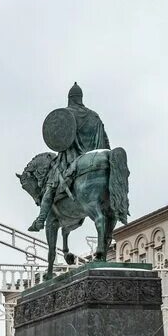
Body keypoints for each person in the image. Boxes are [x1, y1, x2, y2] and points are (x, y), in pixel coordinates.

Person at [28, 83, 111, 232]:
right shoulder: (94, 116)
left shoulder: (65, 115)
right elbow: (106, 143)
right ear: (81, 98)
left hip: (70, 160)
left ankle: (41, 220)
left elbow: (60, 141)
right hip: (96, 159)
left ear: (70, 99)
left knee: (49, 189)